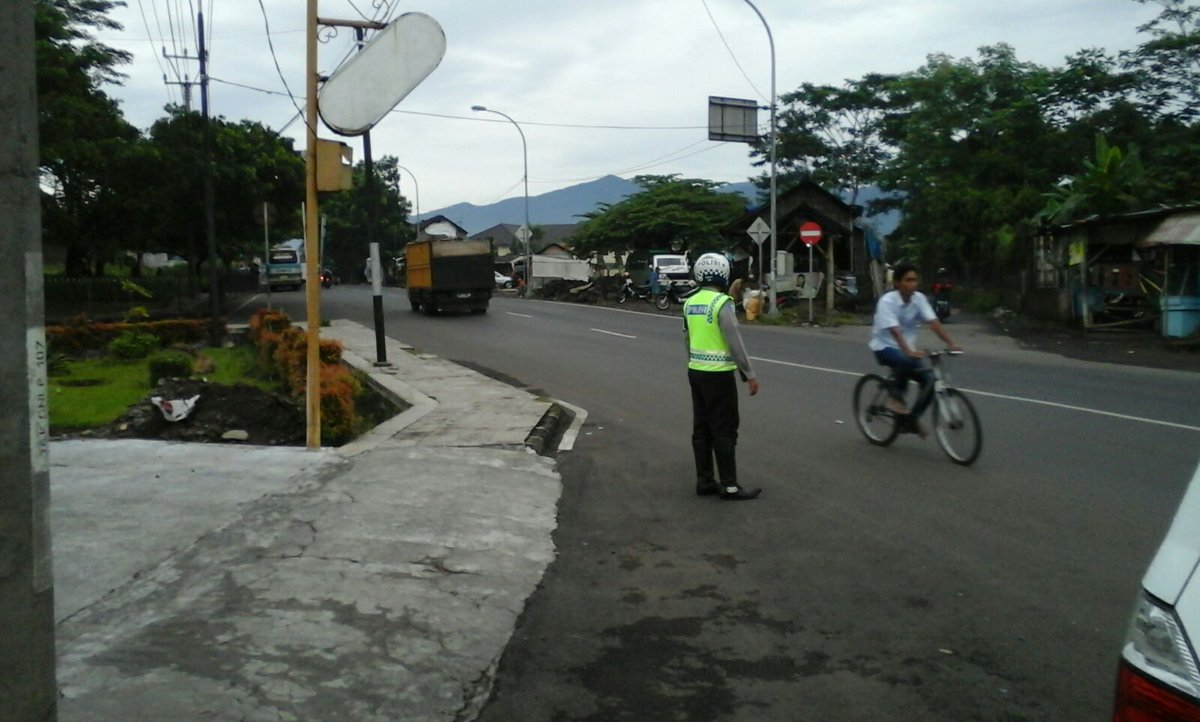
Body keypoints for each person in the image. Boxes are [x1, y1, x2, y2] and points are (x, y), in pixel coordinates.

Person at [683, 253, 761, 500]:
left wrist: (695, 362)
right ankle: (729, 486)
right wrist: (748, 373)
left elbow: (687, 339)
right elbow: (734, 340)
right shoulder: (721, 303)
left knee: (702, 428)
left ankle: (704, 481)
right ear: (723, 274)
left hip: (696, 371)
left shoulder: (690, 302)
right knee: (725, 428)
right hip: (719, 376)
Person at [868, 262, 962, 436]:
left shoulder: (919, 299)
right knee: (906, 359)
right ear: (897, 283)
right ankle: (895, 398)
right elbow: (894, 330)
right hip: (884, 347)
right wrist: (908, 351)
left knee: (930, 381)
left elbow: (933, 323)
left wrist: (951, 343)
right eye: (908, 280)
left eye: (915, 280)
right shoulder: (887, 301)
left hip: (906, 350)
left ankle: (912, 419)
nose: (913, 284)